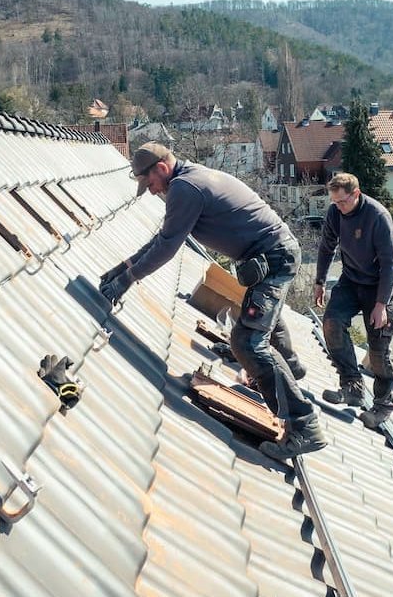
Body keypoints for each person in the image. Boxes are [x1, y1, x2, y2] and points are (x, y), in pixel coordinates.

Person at [100, 142, 327, 460]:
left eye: (149, 184)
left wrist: (125, 281)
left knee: (247, 342)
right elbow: (162, 238)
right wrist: (121, 269)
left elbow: (166, 248)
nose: (150, 192)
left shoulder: (184, 188)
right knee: (260, 330)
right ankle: (290, 375)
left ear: (161, 169)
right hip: (274, 256)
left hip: (274, 258)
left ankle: (304, 426)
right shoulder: (189, 179)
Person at [314, 172, 393, 430]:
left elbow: (391, 264)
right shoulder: (335, 213)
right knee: (331, 322)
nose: (338, 207)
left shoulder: (377, 217)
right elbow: (327, 247)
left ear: (356, 194)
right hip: (351, 281)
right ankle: (351, 385)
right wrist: (319, 281)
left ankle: (383, 406)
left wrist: (381, 305)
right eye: (334, 202)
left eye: (342, 202)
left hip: (379, 287)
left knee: (378, 351)